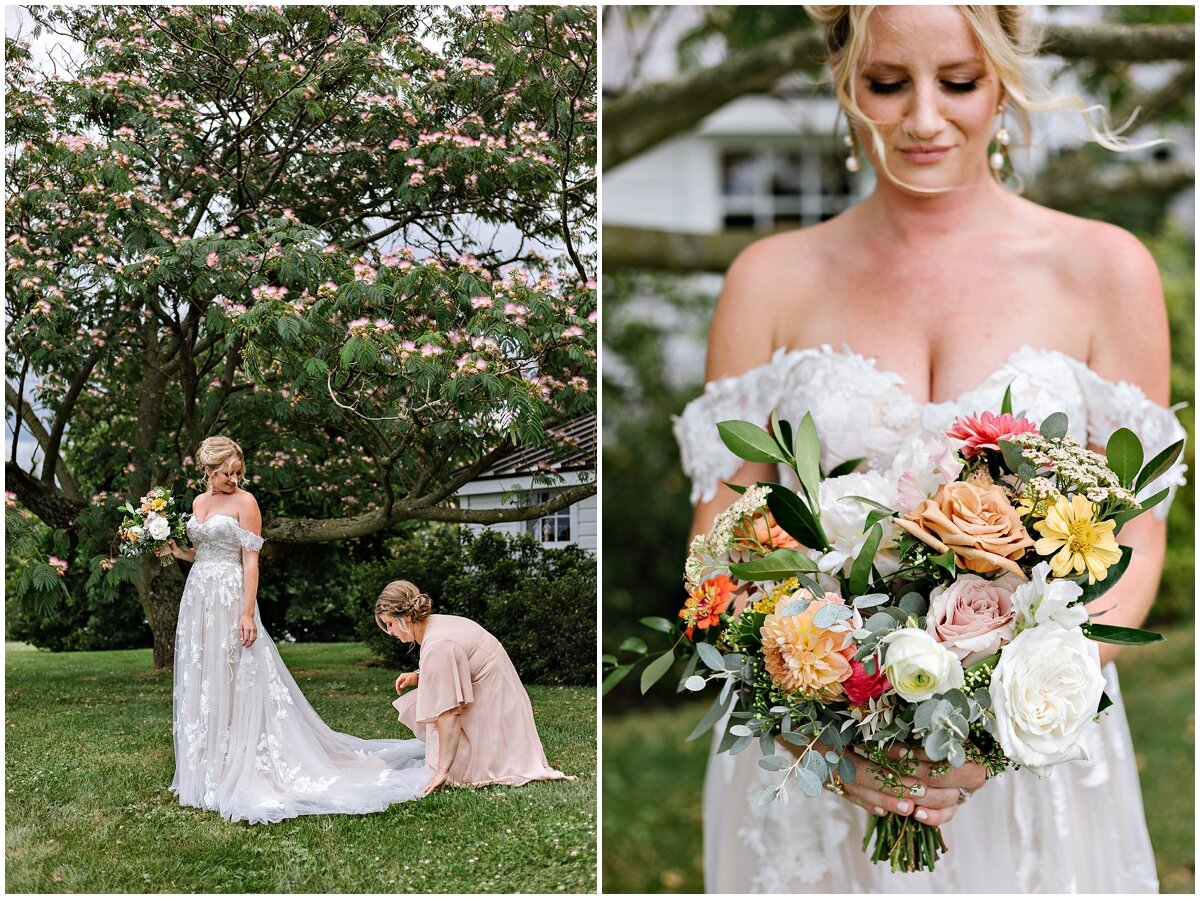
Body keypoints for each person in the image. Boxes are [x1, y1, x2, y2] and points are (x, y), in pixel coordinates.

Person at [672, 5, 1186, 892]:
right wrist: (818, 729)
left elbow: (1133, 538)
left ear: (1004, 78)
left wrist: (1001, 722)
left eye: (957, 82)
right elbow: (717, 539)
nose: (920, 118)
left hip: (1035, 754)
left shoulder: (1106, 270)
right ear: (842, 78)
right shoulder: (769, 280)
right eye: (886, 83)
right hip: (817, 759)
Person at [165, 436, 430, 824]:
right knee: (206, 678)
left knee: (239, 677)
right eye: (227, 474)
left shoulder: (246, 503)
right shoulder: (198, 504)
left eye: (239, 472)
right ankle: (209, 768)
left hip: (231, 598)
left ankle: (246, 764)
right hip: (199, 601)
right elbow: (201, 552)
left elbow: (250, 561)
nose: (235, 480)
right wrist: (174, 550)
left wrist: (247, 614)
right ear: (207, 471)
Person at [377, 580, 574, 792]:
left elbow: (450, 712)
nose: (390, 632)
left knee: (437, 711)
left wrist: (442, 771)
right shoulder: (438, 623)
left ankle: (470, 763)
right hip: (503, 703)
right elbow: (461, 664)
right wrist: (419, 675)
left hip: (495, 713)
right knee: (426, 699)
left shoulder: (438, 645)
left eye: (390, 624)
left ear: (407, 617)